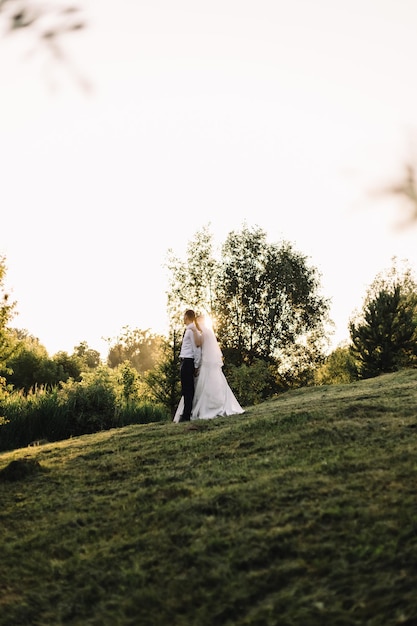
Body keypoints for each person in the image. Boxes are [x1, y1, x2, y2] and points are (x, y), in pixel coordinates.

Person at [174, 314, 244, 422]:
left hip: (205, 363)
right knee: (215, 385)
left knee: (202, 386)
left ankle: (202, 410)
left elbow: (197, 345)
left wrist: (194, 332)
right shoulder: (207, 332)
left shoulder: (203, 333)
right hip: (209, 363)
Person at [177, 309, 202, 422]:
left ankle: (187, 415)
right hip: (184, 361)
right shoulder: (189, 329)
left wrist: (196, 365)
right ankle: (186, 413)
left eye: (183, 316)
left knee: (188, 389)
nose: (183, 318)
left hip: (188, 361)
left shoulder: (192, 330)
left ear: (186, 316)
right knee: (185, 389)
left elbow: (196, 349)